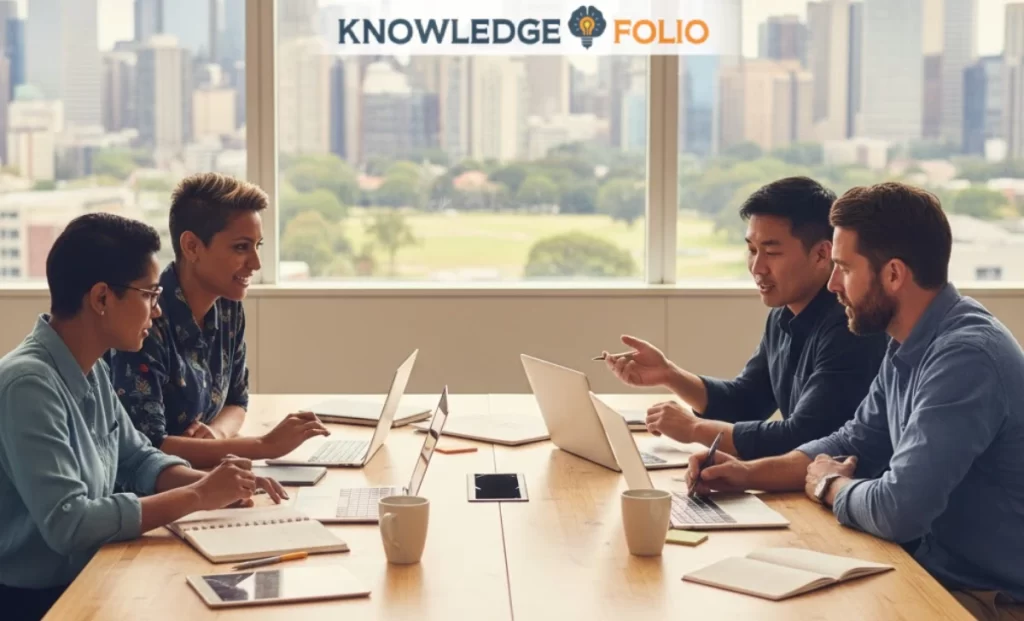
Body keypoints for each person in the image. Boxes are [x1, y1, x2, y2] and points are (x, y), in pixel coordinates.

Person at [685, 182, 1024, 620]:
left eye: (843, 267)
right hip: (932, 571)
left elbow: (899, 511)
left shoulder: (965, 357)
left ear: (894, 274)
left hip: (987, 597)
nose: (832, 283)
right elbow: (853, 441)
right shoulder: (908, 338)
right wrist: (743, 475)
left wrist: (830, 486)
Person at [0, 213, 288, 621]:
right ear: (101, 299)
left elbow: (139, 459)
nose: (156, 312)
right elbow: (70, 524)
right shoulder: (27, 385)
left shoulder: (90, 367)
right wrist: (198, 497)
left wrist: (217, 484)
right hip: (40, 603)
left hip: (93, 575)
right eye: (150, 295)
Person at [602, 177, 887, 460]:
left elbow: (805, 437)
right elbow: (745, 402)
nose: (757, 267)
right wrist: (669, 374)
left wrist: (696, 429)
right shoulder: (783, 314)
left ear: (822, 254)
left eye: (772, 252)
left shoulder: (850, 325)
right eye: (752, 250)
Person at [108, 173, 329, 469]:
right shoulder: (145, 321)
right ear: (192, 247)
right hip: (156, 494)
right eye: (241, 247)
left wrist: (217, 434)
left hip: (207, 477)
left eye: (257, 246)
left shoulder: (228, 304)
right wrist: (264, 446)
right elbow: (147, 446)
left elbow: (237, 400)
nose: (256, 263)